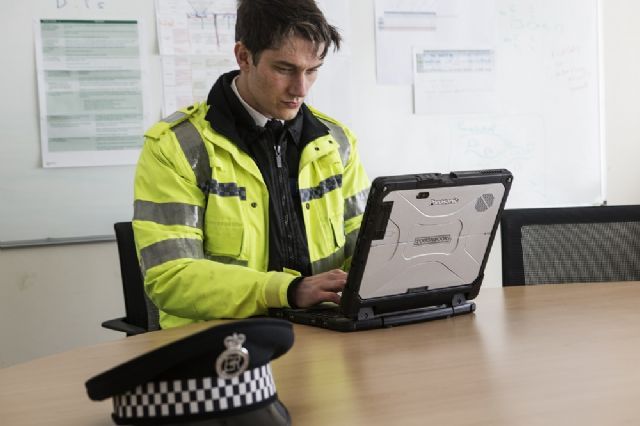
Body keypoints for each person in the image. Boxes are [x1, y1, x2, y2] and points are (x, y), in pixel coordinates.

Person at [133, 0, 370, 329]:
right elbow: (171, 276)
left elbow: (366, 249)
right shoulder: (176, 146)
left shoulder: (337, 142)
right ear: (244, 56)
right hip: (217, 342)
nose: (300, 88)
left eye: (312, 70)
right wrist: (287, 291)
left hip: (322, 332)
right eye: (284, 69)